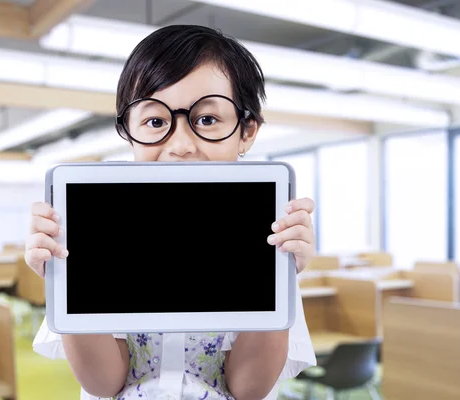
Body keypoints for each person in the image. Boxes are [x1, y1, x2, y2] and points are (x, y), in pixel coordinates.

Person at [27, 24, 317, 400]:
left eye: (207, 119)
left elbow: (249, 388)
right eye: (155, 122)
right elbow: (103, 383)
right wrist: (65, 279)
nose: (180, 145)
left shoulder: (271, 232)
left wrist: (281, 272)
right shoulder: (93, 229)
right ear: (128, 132)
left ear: (247, 131)